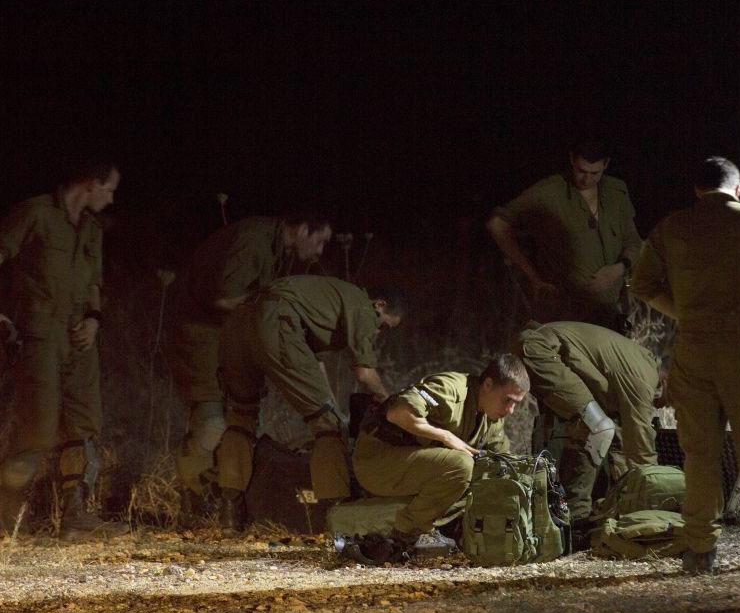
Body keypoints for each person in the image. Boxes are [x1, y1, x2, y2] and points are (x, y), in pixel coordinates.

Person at [630, 156, 740, 573]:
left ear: (697, 190)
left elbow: (642, 285)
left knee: (699, 454)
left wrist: (684, 314)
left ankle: (700, 548)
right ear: (738, 189)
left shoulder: (671, 227)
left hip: (693, 349)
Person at [167, 212, 332, 525]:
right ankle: (194, 504)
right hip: (202, 335)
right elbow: (226, 297)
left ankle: (215, 502)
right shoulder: (254, 241)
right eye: (320, 240)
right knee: (212, 420)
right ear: (301, 228)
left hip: (227, 339)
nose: (321, 251)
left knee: (236, 421)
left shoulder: (279, 250)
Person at [0, 155, 129, 540]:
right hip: (38, 335)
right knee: (37, 428)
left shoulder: (91, 228)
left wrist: (94, 319)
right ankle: (6, 516)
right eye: (109, 190)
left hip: (79, 341)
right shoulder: (37, 213)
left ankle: (76, 518)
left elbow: (94, 283)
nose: (111, 199)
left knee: (83, 424)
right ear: (90, 182)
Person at [216, 275, 404, 533]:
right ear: (380, 306)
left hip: (238, 325)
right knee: (329, 425)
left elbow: (312, 366)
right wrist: (389, 401)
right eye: (384, 326)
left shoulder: (323, 301)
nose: (379, 332)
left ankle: (230, 516)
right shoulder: (361, 303)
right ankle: (337, 519)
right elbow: (364, 372)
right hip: (275, 322)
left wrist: (327, 402)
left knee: (240, 417)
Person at [352, 354, 528, 546]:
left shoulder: (491, 416)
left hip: (412, 467)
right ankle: (407, 532)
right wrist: (447, 437)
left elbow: (503, 459)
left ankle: (448, 527)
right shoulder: (451, 389)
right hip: (377, 461)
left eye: (516, 404)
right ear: (488, 384)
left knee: (489, 472)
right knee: (461, 464)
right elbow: (397, 413)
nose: (511, 410)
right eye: (507, 400)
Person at [511, 320, 662, 539]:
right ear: (669, 380)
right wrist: (657, 499)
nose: (665, 406)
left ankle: (572, 517)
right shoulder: (643, 376)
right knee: (598, 427)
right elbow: (641, 446)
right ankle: (576, 522)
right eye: (673, 400)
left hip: (543, 348)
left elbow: (622, 438)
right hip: (539, 348)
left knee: (595, 427)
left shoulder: (636, 365)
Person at [487, 139, 641, 329]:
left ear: (606, 164)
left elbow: (633, 242)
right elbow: (498, 224)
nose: (587, 179)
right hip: (564, 315)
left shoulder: (616, 192)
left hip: (609, 313)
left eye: (595, 173)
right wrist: (533, 276)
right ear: (571, 160)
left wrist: (617, 269)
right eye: (581, 171)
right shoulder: (549, 192)